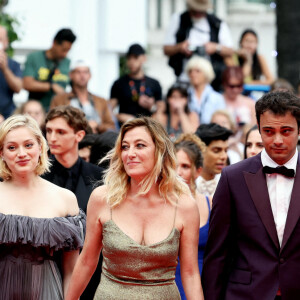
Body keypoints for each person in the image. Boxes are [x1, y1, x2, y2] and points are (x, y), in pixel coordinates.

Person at [66, 117, 204, 300]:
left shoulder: (185, 206)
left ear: (160, 151)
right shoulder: (103, 198)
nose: (130, 153)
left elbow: (190, 273)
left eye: (140, 145)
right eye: (125, 147)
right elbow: (86, 262)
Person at [202, 91, 300, 299]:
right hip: (246, 294)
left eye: (286, 131)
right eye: (269, 131)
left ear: (299, 130)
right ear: (258, 127)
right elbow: (217, 254)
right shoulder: (233, 177)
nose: (278, 140)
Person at [0, 114, 85, 299]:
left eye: (28, 145)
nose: (21, 153)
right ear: (2, 153)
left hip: (48, 291)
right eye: (12, 147)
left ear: (41, 147)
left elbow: (71, 270)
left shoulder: (65, 198)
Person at [42, 105, 104, 300]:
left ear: (79, 135)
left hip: (92, 274)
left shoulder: (99, 176)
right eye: (49, 131)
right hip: (45, 269)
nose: (52, 138)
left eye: (60, 132)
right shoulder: (37, 176)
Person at [163, 0, 234, 91]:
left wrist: (215, 47)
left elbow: (230, 51)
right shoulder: (179, 19)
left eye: (201, 10)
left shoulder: (217, 23)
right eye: (195, 10)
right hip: (184, 79)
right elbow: (166, 49)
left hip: (211, 81)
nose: (197, 13)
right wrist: (180, 47)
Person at [173, 133, 211, 299]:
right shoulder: (158, 206)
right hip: (169, 286)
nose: (178, 172)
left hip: (204, 285)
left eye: (185, 166)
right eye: (173, 166)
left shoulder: (211, 204)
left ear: (198, 171)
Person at [50, 60, 115, 133]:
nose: (82, 75)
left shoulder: (101, 101)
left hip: (98, 140)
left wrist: (98, 126)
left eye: (85, 72)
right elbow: (53, 123)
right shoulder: (59, 100)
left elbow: (111, 126)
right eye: (78, 72)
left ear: (90, 75)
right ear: (71, 75)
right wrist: (84, 125)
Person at [110, 44, 164, 126]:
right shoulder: (119, 83)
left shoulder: (154, 83)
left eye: (135, 57)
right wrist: (119, 116)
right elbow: (108, 110)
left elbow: (161, 110)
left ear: (144, 58)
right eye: (129, 58)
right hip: (126, 127)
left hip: (148, 127)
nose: (131, 62)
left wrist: (152, 106)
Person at [23, 28, 76, 111]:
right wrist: (51, 87)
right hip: (37, 110)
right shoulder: (34, 58)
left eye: (68, 51)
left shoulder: (67, 62)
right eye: (63, 50)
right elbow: (27, 83)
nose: (65, 54)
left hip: (59, 109)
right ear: (54, 43)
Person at [195, 123, 232, 196]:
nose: (224, 156)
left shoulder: (229, 186)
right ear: (200, 150)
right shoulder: (184, 186)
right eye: (217, 151)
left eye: (226, 151)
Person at [186, 56, 226, 124]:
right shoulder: (184, 95)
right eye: (190, 71)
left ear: (206, 73)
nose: (193, 74)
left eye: (197, 71)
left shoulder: (217, 98)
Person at [0, 25, 22, 119]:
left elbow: (18, 88)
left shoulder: (14, 64)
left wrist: (5, 68)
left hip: (8, 114)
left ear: (6, 42)